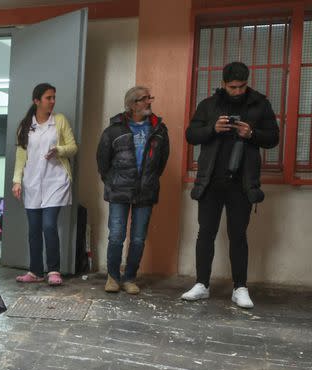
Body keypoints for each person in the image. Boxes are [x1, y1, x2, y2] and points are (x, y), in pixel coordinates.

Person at [182, 61, 280, 309]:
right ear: (224, 84)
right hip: (210, 181)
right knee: (206, 233)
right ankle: (201, 284)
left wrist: (252, 134)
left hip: (242, 184)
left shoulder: (260, 104)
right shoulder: (209, 105)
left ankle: (240, 288)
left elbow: (273, 138)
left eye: (242, 86)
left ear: (247, 82)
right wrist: (212, 129)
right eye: (233, 87)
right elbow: (191, 135)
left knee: (238, 236)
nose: (238, 91)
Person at [96, 85, 170, 294]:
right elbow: (102, 160)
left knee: (138, 238)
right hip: (119, 190)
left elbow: (162, 160)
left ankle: (129, 278)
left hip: (146, 191)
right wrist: (111, 181)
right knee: (117, 235)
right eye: (144, 98)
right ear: (132, 104)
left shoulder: (159, 129)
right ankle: (112, 277)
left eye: (149, 98)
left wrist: (150, 179)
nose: (149, 101)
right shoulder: (114, 130)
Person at [11, 83, 77, 286]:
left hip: (56, 180)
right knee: (34, 229)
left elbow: (73, 147)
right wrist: (16, 180)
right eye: (49, 98)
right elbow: (21, 155)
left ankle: (54, 270)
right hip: (32, 182)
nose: (53, 101)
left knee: (49, 226)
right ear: (36, 101)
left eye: (54, 97)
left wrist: (59, 150)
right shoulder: (25, 125)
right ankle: (36, 271)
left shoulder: (59, 121)